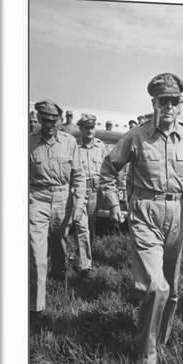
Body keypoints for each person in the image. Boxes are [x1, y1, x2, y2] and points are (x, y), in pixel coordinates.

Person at [99, 73, 183, 364]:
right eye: (162, 101)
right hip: (144, 211)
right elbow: (108, 168)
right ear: (153, 103)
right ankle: (146, 356)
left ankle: (160, 340)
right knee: (156, 287)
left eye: (174, 102)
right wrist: (115, 204)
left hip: (176, 214)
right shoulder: (138, 136)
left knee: (173, 289)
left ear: (180, 106)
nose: (168, 106)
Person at [29, 100, 86, 313]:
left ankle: (59, 276)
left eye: (54, 121)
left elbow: (78, 176)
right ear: (38, 119)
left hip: (63, 199)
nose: (49, 125)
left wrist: (79, 203)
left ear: (60, 121)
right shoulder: (29, 142)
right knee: (36, 250)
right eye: (45, 120)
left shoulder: (70, 142)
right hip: (37, 198)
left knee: (59, 244)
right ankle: (37, 306)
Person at [74, 113, 107, 277]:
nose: (89, 130)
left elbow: (107, 168)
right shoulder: (75, 146)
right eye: (86, 127)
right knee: (82, 227)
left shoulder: (100, 146)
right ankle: (85, 265)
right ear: (80, 128)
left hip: (96, 190)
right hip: (79, 191)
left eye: (92, 127)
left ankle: (87, 255)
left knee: (91, 226)